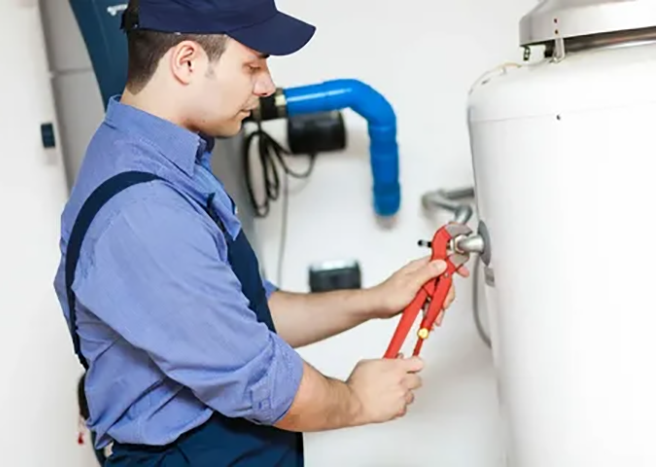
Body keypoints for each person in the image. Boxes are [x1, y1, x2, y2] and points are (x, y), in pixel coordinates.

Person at [53, 0, 467, 465]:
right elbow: (259, 379)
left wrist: (375, 300)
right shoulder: (144, 211)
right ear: (186, 62)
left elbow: (251, 314)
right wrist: (357, 400)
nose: (267, 86)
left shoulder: (167, 163)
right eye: (253, 65)